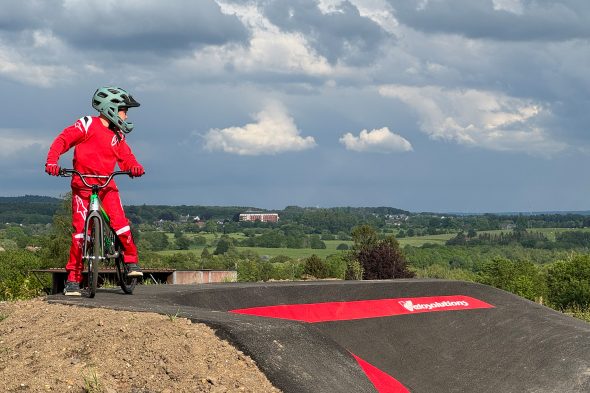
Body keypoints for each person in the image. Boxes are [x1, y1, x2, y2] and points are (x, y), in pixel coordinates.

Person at [45, 86, 145, 296]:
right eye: (124, 110)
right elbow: (63, 140)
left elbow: (126, 157)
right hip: (83, 187)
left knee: (121, 225)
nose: (126, 115)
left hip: (107, 186)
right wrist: (52, 161)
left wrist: (134, 167)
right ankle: (73, 279)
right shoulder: (87, 124)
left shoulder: (117, 135)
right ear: (111, 108)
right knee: (80, 235)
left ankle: (131, 262)